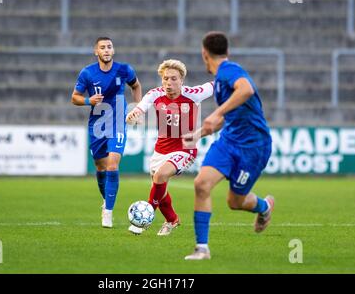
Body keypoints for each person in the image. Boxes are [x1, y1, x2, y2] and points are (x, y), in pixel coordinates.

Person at [182, 31, 274, 260]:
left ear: (204, 54)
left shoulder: (229, 70)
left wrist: (217, 112)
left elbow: (246, 89)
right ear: (227, 50)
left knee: (235, 201)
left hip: (253, 147)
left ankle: (264, 207)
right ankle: (202, 249)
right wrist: (199, 134)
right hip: (228, 142)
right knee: (201, 184)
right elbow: (226, 117)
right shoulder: (222, 81)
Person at [126, 59, 214, 236]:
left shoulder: (193, 94)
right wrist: (134, 114)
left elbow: (215, 84)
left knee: (160, 176)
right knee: (160, 187)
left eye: (174, 79)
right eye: (165, 79)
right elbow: (140, 108)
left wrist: (234, 80)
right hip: (161, 149)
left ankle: (145, 217)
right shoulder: (155, 94)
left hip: (185, 149)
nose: (169, 83)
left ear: (182, 80)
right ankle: (172, 220)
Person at [71, 36, 142, 228]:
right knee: (101, 168)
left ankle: (108, 213)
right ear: (96, 52)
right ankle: (106, 202)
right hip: (97, 124)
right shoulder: (87, 73)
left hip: (118, 121)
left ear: (113, 50)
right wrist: (89, 101)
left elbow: (136, 85)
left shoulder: (124, 69)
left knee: (112, 166)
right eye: (102, 47)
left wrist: (136, 108)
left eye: (109, 47)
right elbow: (75, 98)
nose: (107, 50)